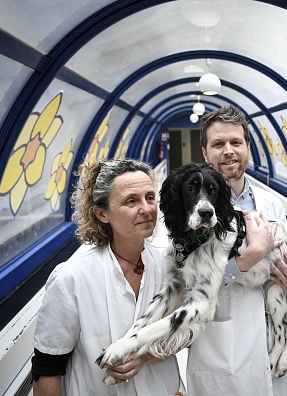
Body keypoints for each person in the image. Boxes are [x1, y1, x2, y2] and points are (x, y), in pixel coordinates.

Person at [184, 104, 287, 395]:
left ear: (248, 148)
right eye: (218, 144)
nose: (228, 150)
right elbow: (190, 282)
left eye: (236, 142)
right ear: (205, 153)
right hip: (223, 345)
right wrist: (247, 259)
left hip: (274, 339)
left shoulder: (273, 205)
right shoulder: (193, 210)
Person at [32, 159, 185, 396]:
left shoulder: (170, 265)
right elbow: (47, 369)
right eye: (131, 201)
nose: (146, 208)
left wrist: (143, 357)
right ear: (102, 213)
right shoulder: (70, 279)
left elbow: (183, 335)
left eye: (150, 197)